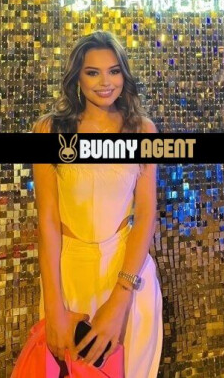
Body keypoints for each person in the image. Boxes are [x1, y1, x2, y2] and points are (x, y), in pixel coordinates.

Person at [31, 31, 163, 378]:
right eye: (93, 72)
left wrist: (119, 301)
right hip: (68, 273)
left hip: (128, 272)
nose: (106, 82)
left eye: (114, 71)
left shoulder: (142, 130)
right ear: (77, 77)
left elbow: (145, 214)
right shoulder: (49, 130)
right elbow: (47, 221)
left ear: (124, 75)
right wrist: (54, 308)